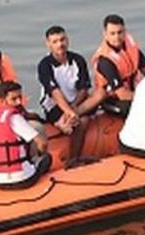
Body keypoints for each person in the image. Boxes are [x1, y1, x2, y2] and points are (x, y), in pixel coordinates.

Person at [38, 25, 93, 165]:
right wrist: (68, 112)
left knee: (85, 119)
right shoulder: (45, 65)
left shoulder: (78, 60)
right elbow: (54, 93)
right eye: (55, 41)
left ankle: (74, 158)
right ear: (48, 44)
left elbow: (83, 88)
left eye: (62, 40)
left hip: (76, 102)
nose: (60, 44)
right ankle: (68, 160)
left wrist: (73, 107)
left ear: (67, 40)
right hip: (54, 105)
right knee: (76, 123)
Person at [0, 81, 52, 189]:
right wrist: (39, 154)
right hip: (21, 179)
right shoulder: (14, 117)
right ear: (2, 100)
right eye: (14, 99)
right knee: (46, 158)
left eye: (20, 97)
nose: (19, 102)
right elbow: (42, 143)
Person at [85, 14, 145, 117]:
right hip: (112, 99)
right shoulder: (105, 60)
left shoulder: (130, 46)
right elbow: (122, 94)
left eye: (119, 32)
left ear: (125, 32)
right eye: (112, 33)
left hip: (133, 90)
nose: (117, 37)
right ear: (105, 34)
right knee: (130, 108)